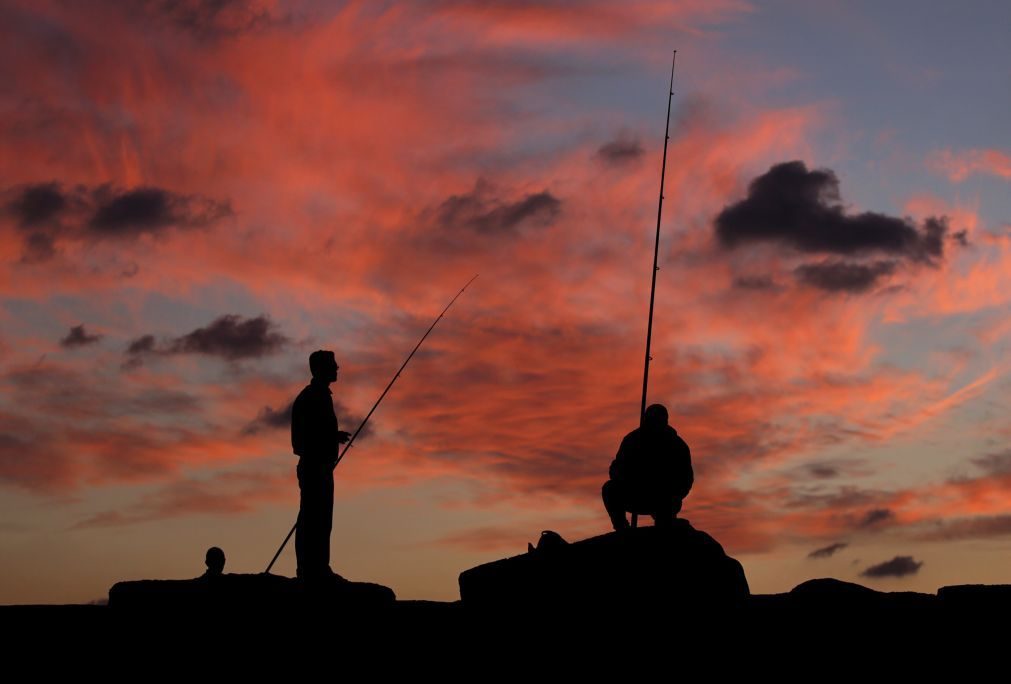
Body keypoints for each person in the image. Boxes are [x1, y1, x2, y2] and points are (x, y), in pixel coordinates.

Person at [291, 350, 351, 580]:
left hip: (321, 466)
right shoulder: (312, 397)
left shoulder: (319, 396)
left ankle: (318, 568)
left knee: (321, 519)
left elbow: (315, 433)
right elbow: (301, 441)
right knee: (312, 519)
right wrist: (328, 439)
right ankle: (310, 570)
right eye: (333, 364)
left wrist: (332, 436)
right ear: (320, 369)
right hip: (314, 467)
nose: (337, 368)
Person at [601, 403, 693, 530]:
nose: (654, 424)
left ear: (665, 421)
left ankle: (665, 524)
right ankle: (621, 528)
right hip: (636, 493)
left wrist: (671, 491)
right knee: (609, 489)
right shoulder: (632, 440)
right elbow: (616, 469)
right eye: (651, 420)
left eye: (658, 420)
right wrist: (624, 476)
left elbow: (686, 479)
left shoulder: (677, 445)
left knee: (668, 506)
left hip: (664, 497)